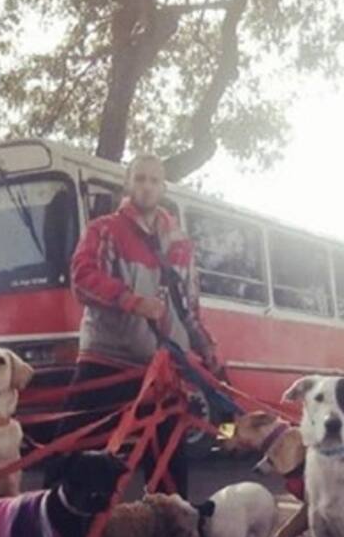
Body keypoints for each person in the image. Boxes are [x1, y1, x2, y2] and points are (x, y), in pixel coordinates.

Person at [45, 154, 219, 498]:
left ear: (163, 187)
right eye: (139, 179)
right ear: (127, 184)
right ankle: (46, 515)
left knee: (170, 462)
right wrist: (132, 300)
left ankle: (168, 521)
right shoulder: (104, 229)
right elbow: (83, 280)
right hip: (107, 360)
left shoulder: (181, 245)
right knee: (71, 448)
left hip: (163, 371)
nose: (146, 187)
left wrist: (206, 346)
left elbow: (188, 306)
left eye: (154, 180)